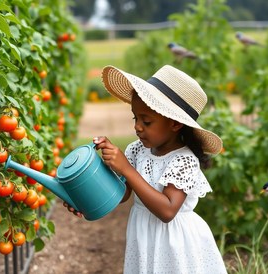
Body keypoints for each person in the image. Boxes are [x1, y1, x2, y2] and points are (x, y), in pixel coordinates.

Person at [65, 64, 227, 273]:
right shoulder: (137, 150)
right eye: (136, 117)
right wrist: (86, 197)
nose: (137, 126)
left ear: (175, 124)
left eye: (147, 121)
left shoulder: (184, 160)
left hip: (175, 244)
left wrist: (127, 170)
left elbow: (168, 211)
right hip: (143, 236)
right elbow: (122, 194)